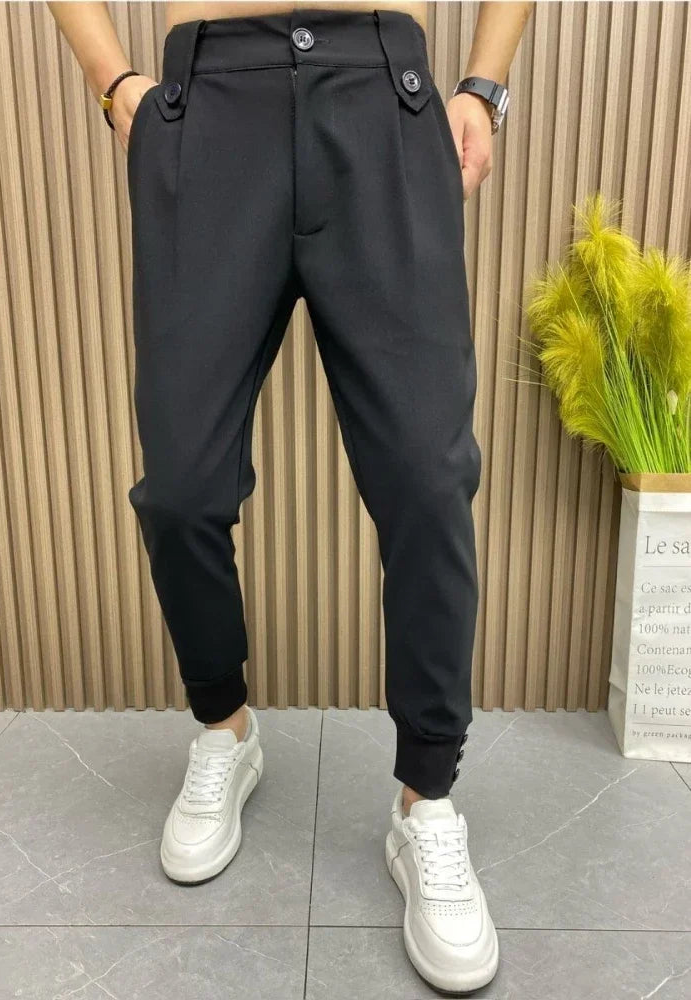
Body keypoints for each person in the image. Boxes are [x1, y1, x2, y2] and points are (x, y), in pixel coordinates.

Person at [48, 1, 533, 992]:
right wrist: (113, 83)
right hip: (210, 105)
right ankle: (224, 727)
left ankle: (427, 801)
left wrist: (483, 85)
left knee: (429, 476)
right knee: (180, 486)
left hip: (380, 90)